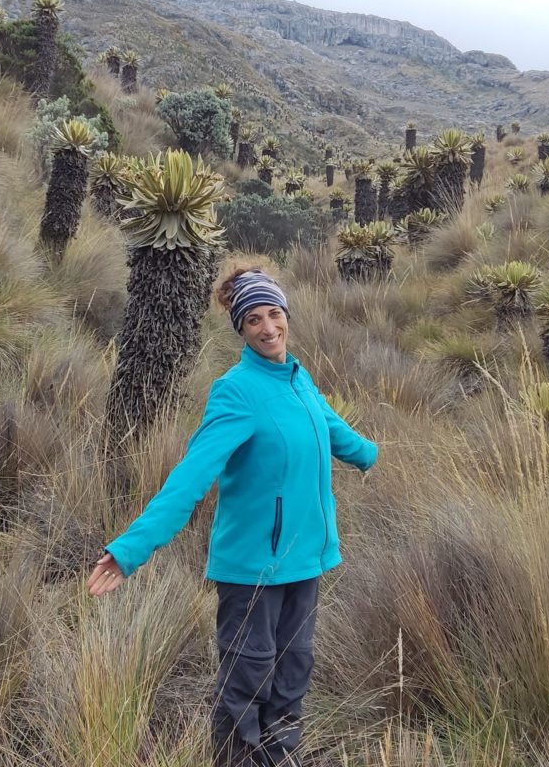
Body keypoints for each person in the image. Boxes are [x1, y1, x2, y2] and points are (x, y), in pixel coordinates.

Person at [87, 267, 378, 767]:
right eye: (253, 320)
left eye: (274, 314)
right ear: (240, 330)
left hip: (305, 561)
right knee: (248, 681)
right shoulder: (236, 390)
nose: (268, 328)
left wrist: (369, 454)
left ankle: (280, 759)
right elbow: (189, 478)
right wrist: (130, 549)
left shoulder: (297, 378)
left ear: (286, 315)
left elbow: (331, 429)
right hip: (252, 569)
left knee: (292, 675)